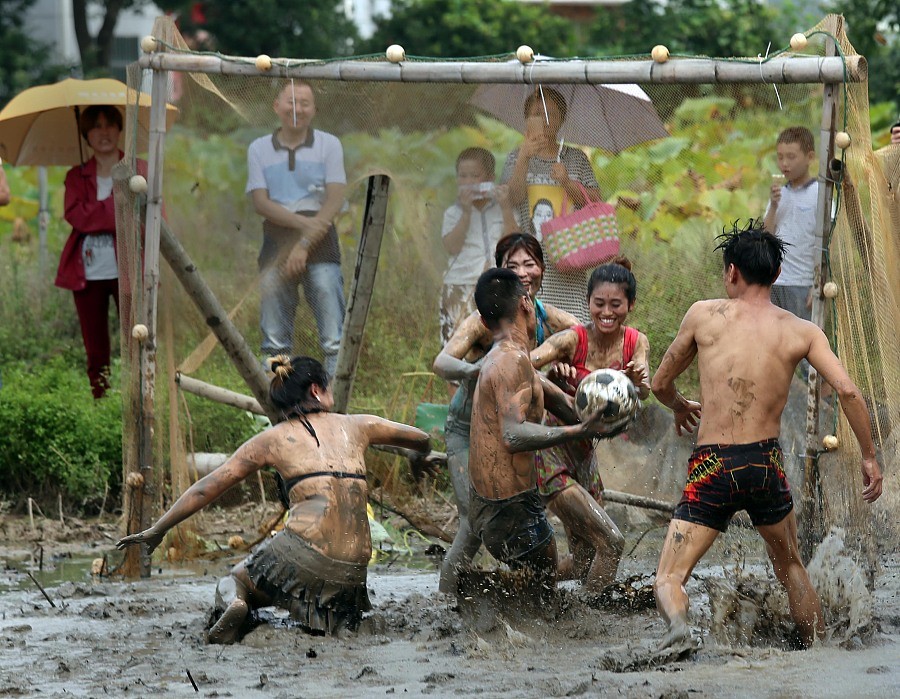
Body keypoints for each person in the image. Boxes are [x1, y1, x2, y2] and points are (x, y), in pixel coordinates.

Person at [650, 221, 883, 653]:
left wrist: (680, 406)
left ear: (731, 272)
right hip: (765, 464)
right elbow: (848, 391)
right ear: (777, 276)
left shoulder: (704, 315)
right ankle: (819, 652)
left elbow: (660, 383)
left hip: (712, 464)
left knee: (668, 576)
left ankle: (679, 630)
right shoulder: (801, 330)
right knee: (791, 565)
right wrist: (869, 455)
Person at [117, 355, 434, 644]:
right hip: (354, 566)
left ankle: (237, 604)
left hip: (304, 552)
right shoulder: (359, 425)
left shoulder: (271, 439)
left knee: (235, 580)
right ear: (316, 390)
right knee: (331, 613)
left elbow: (207, 488)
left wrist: (157, 530)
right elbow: (422, 439)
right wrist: (417, 457)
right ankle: (328, 616)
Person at [433, 233, 578, 594]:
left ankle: (506, 594)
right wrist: (474, 370)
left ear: (542, 270)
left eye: (529, 263)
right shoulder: (485, 320)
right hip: (469, 427)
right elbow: (441, 361)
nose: (524, 271)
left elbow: (583, 333)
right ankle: (447, 601)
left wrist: (555, 363)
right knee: (471, 524)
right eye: (513, 266)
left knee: (521, 520)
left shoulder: (539, 316)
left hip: (513, 424)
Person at [466, 268, 622, 599]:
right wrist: (577, 430)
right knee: (607, 545)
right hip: (511, 511)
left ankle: (484, 596)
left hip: (499, 509)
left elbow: (565, 403)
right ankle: (589, 624)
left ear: (484, 320)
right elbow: (513, 436)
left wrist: (607, 411)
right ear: (526, 303)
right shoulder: (510, 362)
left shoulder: (510, 359)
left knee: (553, 582)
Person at [530, 258, 651, 590]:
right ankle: (592, 622)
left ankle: (527, 587)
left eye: (616, 304)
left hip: (585, 456)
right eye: (599, 304)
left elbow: (644, 388)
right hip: (553, 450)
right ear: (588, 303)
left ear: (630, 305)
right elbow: (524, 365)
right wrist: (552, 376)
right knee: (611, 542)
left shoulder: (635, 342)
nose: (607, 312)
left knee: (584, 560)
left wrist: (637, 381)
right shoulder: (572, 340)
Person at [246, 81, 347, 379]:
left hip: (322, 244)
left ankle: (334, 404)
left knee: (333, 339)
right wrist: (306, 222)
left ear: (314, 109)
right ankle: (276, 405)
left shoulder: (329, 145)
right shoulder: (259, 149)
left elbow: (335, 198)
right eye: (290, 101)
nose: (297, 109)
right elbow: (261, 203)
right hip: (275, 244)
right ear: (276, 106)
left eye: (304, 103)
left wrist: (304, 242)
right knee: (274, 341)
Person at [55, 106, 144, 399]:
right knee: (95, 348)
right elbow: (77, 217)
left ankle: (137, 398)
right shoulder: (75, 176)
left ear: (120, 130)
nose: (103, 132)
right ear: (86, 135)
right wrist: (117, 204)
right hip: (88, 273)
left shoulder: (138, 170)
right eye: (95, 127)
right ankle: (101, 400)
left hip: (129, 270)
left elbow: (148, 220)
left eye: (109, 125)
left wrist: (97, 211)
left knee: (137, 340)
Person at [501, 87, 603, 324]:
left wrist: (567, 182)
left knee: (572, 328)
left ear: (561, 120)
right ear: (527, 119)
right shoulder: (516, 157)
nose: (544, 120)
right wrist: (524, 158)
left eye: (551, 114)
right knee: (532, 325)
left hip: (569, 258)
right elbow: (511, 198)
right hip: (530, 261)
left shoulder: (575, 158)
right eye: (537, 113)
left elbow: (595, 200)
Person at [439, 147, 515, 353]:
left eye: (475, 175)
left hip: (495, 287)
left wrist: (506, 207)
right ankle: (455, 386)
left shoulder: (503, 209)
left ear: (490, 178)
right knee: (455, 348)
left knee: (493, 347)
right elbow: (451, 246)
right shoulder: (453, 212)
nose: (469, 182)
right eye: (463, 176)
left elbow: (514, 242)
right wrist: (465, 212)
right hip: (459, 285)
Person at [763, 126, 818, 322]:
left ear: (810, 157)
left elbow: (829, 244)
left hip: (803, 284)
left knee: (802, 346)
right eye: (780, 157)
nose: (784, 163)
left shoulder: (819, 194)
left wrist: (818, 284)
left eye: (791, 157)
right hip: (775, 282)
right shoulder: (779, 194)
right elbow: (766, 235)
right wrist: (773, 206)